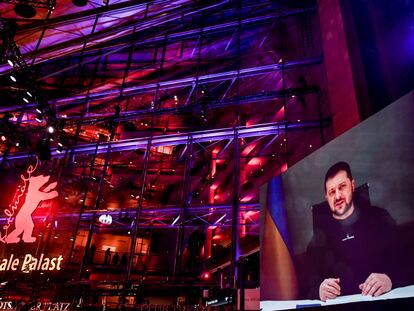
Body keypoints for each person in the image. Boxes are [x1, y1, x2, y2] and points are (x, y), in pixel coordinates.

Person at [306, 161, 406, 301]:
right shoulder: (318, 240)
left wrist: (390, 279)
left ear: (352, 186)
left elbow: (405, 262)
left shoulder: (379, 218)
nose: (338, 196)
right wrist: (319, 290)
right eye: (332, 192)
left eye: (342, 187)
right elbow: (307, 285)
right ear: (327, 197)